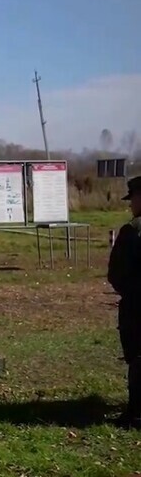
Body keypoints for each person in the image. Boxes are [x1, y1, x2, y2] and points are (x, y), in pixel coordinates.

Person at [107, 176, 141, 429]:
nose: (131, 205)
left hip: (137, 307)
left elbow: (116, 274)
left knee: (138, 357)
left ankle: (137, 413)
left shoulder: (132, 231)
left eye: (133, 200)